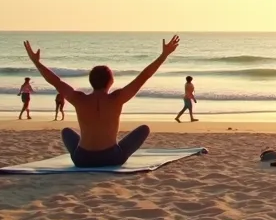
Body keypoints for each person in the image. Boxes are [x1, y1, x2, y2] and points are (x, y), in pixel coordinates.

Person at [23, 36, 180, 167]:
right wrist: (163, 55)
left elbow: (55, 81)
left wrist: (36, 62)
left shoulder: (79, 99)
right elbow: (144, 76)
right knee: (144, 129)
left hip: (82, 160)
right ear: (110, 81)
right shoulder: (117, 98)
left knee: (66, 132)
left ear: (91, 81)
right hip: (111, 158)